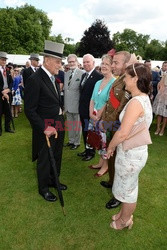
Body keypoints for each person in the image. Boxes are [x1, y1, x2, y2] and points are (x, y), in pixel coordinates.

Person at [107, 63, 152, 230]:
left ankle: (125, 221)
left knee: (128, 190)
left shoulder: (136, 103)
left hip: (131, 154)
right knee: (128, 186)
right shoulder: (142, 98)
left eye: (126, 76)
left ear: (135, 79)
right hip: (133, 151)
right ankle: (123, 215)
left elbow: (122, 133)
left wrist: (110, 147)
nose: (124, 79)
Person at [24, 40, 67, 202]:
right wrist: (44, 127)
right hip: (45, 127)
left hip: (58, 122)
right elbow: (30, 110)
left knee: (56, 154)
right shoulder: (35, 79)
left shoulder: (52, 78)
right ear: (47, 60)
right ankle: (43, 188)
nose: (60, 65)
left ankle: (53, 180)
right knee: (44, 158)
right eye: (58, 62)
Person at [100, 51, 138, 209]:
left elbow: (122, 108)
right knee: (111, 157)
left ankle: (118, 195)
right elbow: (111, 102)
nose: (112, 65)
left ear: (126, 65)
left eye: (116, 63)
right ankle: (111, 181)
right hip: (111, 125)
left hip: (118, 127)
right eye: (112, 62)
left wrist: (108, 123)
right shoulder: (120, 79)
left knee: (119, 161)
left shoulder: (128, 82)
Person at [88, 54, 115, 176]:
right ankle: (100, 162)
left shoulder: (114, 83)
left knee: (105, 142)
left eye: (107, 64)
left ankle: (105, 166)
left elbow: (108, 101)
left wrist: (98, 116)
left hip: (104, 118)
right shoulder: (98, 82)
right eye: (102, 63)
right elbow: (92, 99)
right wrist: (91, 114)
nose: (103, 66)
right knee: (98, 141)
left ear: (112, 67)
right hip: (94, 116)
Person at [78, 54, 103, 161]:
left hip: (91, 111)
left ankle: (91, 152)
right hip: (82, 109)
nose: (86, 64)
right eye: (84, 62)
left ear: (93, 63)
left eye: (88, 62)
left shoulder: (98, 77)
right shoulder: (84, 76)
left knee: (90, 131)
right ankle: (86, 149)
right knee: (84, 131)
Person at [64, 54, 84, 149]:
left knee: (77, 125)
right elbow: (66, 89)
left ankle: (76, 142)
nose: (71, 63)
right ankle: (71, 140)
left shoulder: (82, 73)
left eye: (73, 61)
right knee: (70, 124)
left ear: (76, 62)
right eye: (69, 62)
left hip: (76, 104)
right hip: (67, 104)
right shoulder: (66, 73)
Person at [0, 51, 14, 136]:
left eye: (5, 60)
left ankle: (7, 128)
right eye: (2, 59)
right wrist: (2, 92)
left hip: (8, 93)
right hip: (0, 94)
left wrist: (8, 89)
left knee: (8, 112)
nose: (4, 61)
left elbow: (11, 82)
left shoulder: (8, 70)